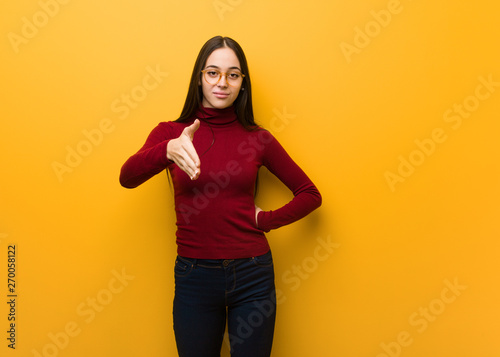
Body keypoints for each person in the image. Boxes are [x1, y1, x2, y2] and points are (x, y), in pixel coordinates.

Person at [119, 35, 322, 357]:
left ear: (243, 83)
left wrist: (264, 220)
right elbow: (127, 178)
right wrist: (166, 151)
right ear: (199, 78)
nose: (222, 82)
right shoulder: (171, 133)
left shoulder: (258, 139)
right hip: (194, 276)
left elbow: (310, 194)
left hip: (253, 274)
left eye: (233, 74)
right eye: (213, 72)